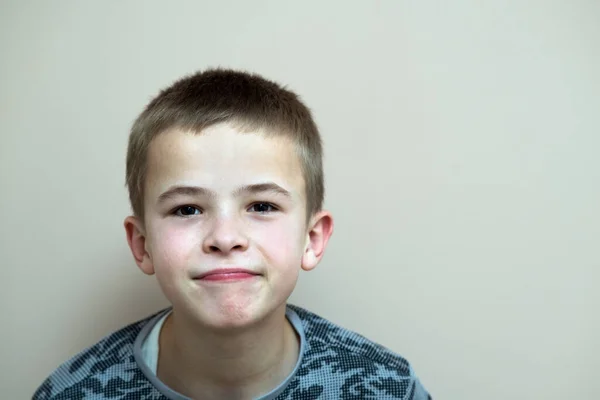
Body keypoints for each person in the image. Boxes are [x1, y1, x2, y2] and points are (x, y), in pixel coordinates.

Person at [33, 69, 431, 400]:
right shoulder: (74, 393)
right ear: (142, 244)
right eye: (187, 209)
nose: (225, 238)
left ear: (312, 239)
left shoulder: (388, 388)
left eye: (262, 206)